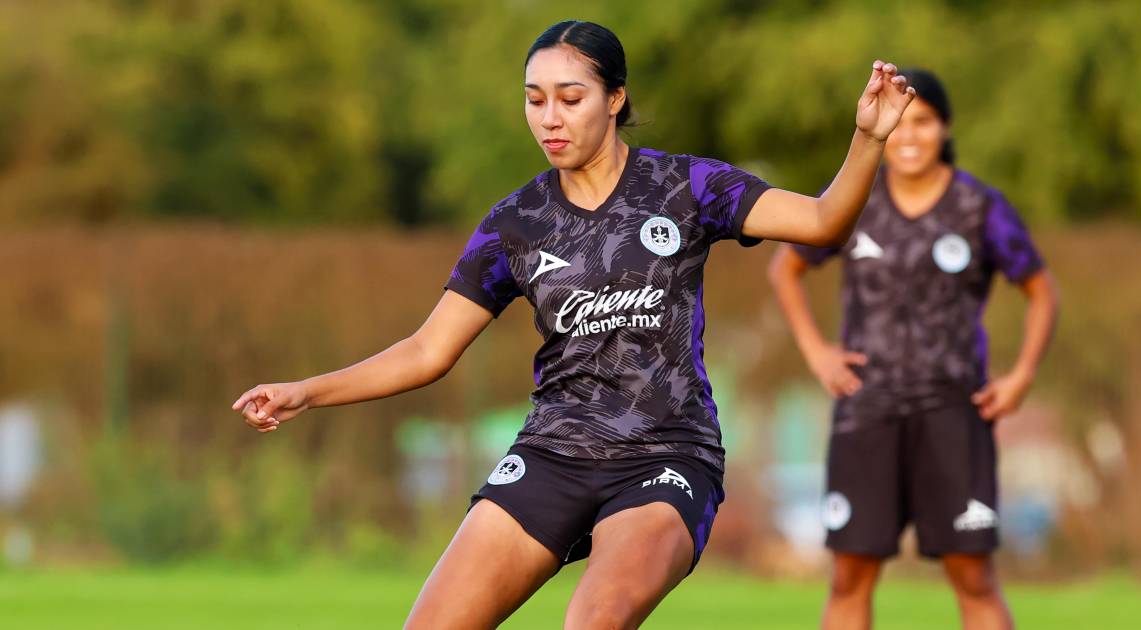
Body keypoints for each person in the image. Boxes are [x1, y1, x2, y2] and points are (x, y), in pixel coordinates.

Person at [233, 20, 915, 629]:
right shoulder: (515, 223)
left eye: (570, 98)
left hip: (665, 457)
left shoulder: (686, 187)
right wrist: (307, 391)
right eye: (535, 100)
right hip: (553, 453)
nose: (549, 118)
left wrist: (867, 139)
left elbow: (822, 220)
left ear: (615, 99)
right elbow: (426, 350)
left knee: (595, 620)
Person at [768, 69, 1059, 630]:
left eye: (923, 122)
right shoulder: (858, 199)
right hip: (866, 409)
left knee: (973, 577)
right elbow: (787, 267)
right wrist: (816, 350)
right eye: (901, 121)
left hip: (953, 410)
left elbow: (1042, 291)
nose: (909, 135)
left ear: (944, 128)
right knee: (850, 576)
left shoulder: (979, 207)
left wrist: (1022, 374)